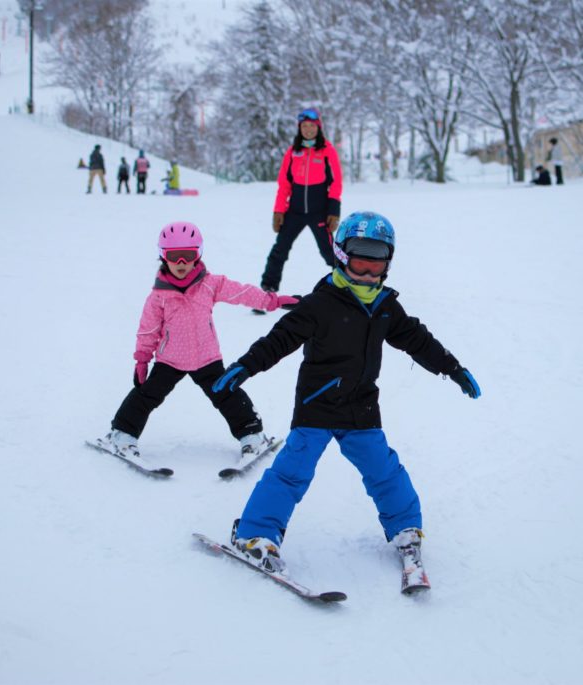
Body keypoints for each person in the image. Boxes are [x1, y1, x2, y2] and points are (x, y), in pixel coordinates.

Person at [212, 211, 481, 579]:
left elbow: (417, 339)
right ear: (340, 255)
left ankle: (405, 527)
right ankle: (255, 535)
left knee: (383, 470)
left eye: (377, 266)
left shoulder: (385, 305)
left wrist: (453, 368)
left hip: (361, 407)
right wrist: (246, 366)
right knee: (292, 472)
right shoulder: (319, 304)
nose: (368, 275)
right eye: (360, 264)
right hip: (317, 406)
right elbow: (280, 340)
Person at [93, 222, 301, 464]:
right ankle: (121, 436)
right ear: (163, 256)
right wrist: (142, 358)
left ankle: (252, 436)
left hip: (206, 358)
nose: (181, 263)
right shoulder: (158, 296)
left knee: (227, 394)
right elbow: (148, 330)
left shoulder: (210, 284)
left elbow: (242, 293)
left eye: (188, 256)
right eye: (174, 257)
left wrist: (273, 301)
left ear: (198, 254)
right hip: (170, 359)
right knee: (146, 396)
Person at [258, 107, 343, 302]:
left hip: (319, 211)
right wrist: (278, 211)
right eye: (304, 126)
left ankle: (346, 287)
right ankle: (268, 288)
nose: (308, 129)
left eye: (312, 126)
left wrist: (333, 211)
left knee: (329, 251)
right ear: (300, 128)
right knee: (280, 249)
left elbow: (336, 182)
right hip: (294, 211)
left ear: (318, 127)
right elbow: (284, 184)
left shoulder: (327, 150)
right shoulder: (292, 152)